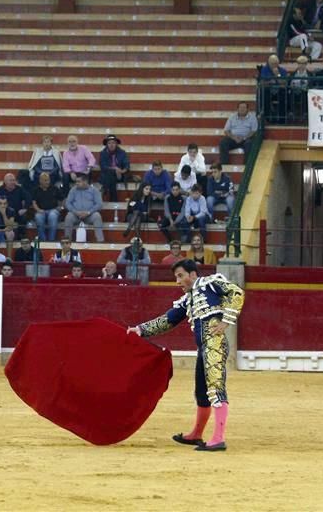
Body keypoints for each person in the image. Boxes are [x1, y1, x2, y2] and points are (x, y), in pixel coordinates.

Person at [127, 259, 245, 452]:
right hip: (203, 348)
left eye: (180, 276)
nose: (177, 281)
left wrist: (226, 321)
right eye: (176, 277)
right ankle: (197, 434)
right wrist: (140, 330)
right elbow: (168, 319)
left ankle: (218, 438)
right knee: (201, 392)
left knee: (216, 388)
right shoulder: (188, 299)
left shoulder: (211, 283)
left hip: (214, 344)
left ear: (192, 274)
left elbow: (237, 292)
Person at [63, 174, 105, 242]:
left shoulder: (94, 190)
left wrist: (88, 212)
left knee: (97, 216)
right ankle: (67, 241)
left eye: (78, 182)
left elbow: (99, 204)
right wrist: (75, 212)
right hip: (76, 215)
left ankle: (100, 241)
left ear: (85, 181)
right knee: (69, 217)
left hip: (90, 215)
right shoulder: (73, 190)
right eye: (76, 182)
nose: (76, 183)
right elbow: (68, 203)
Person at [32, 172, 66, 242]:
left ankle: (51, 240)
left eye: (48, 180)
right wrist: (38, 210)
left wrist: (61, 207)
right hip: (41, 211)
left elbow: (63, 199)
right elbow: (34, 202)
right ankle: (43, 240)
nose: (47, 182)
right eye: (45, 180)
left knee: (52, 216)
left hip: (53, 210)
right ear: (40, 181)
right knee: (38, 217)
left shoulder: (54, 188)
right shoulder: (36, 190)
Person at [98, 134, 130, 202]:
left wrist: (121, 171)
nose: (111, 145)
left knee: (110, 176)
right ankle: (114, 199)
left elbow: (127, 165)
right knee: (110, 175)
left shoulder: (122, 153)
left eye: (113, 143)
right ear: (106, 144)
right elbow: (103, 167)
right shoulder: (103, 153)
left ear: (116, 144)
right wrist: (115, 169)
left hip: (120, 175)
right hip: (108, 175)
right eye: (109, 143)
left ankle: (105, 189)